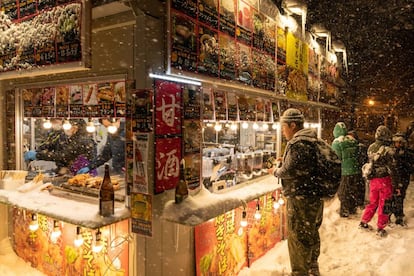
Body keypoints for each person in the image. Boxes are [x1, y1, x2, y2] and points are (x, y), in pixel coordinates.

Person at [268, 108, 323, 276]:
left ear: (292, 125)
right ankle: (312, 267)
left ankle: (300, 272)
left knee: (298, 237)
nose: (283, 132)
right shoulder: (313, 140)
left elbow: (289, 171)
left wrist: (276, 171)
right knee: (311, 232)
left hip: (301, 198)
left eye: (284, 127)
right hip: (315, 196)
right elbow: (305, 166)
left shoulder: (298, 143)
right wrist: (285, 160)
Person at [24, 119, 97, 175]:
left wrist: (37, 155)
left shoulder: (81, 140)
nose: (65, 129)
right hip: (78, 173)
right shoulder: (74, 139)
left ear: (75, 128)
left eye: (68, 127)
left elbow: (62, 155)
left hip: (84, 175)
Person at [359, 125, 394, 237]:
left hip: (373, 180)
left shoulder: (371, 147)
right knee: (384, 204)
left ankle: (364, 221)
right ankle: (380, 227)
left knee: (372, 202)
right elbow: (392, 167)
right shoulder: (387, 150)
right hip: (384, 179)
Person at [331, 123, 361, 217]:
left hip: (344, 170)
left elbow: (336, 158)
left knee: (343, 192)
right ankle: (352, 208)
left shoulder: (337, 142)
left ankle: (344, 210)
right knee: (352, 190)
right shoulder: (352, 140)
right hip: (355, 170)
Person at [390, 132, 414, 226]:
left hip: (403, 179)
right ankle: (388, 216)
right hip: (393, 179)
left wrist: (405, 165)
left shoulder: (408, 153)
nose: (398, 144)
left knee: (400, 197)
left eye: (400, 142)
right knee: (391, 198)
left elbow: (411, 167)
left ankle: (399, 216)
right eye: (396, 142)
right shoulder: (391, 152)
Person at [348, 130, 368, 207]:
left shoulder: (359, 147)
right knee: (355, 187)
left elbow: (363, 159)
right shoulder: (355, 147)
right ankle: (356, 203)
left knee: (358, 186)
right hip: (355, 169)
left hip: (358, 169)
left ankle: (358, 203)